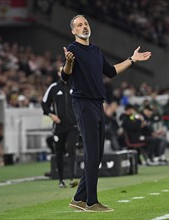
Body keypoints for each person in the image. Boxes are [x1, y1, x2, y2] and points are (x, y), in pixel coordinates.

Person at [62, 15, 151, 212]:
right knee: (92, 153)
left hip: (97, 104)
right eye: (79, 25)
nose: (84, 26)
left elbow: (110, 71)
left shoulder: (95, 50)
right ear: (73, 31)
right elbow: (65, 75)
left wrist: (132, 59)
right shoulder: (72, 50)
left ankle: (78, 199)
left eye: (85, 23)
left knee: (98, 154)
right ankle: (91, 202)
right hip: (83, 104)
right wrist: (68, 62)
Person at [41, 67, 79, 188]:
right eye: (62, 70)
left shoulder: (76, 85)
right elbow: (44, 104)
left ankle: (73, 177)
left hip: (73, 126)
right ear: (58, 73)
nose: (65, 72)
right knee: (59, 152)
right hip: (59, 127)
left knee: (72, 150)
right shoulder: (53, 87)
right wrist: (51, 115)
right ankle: (61, 180)